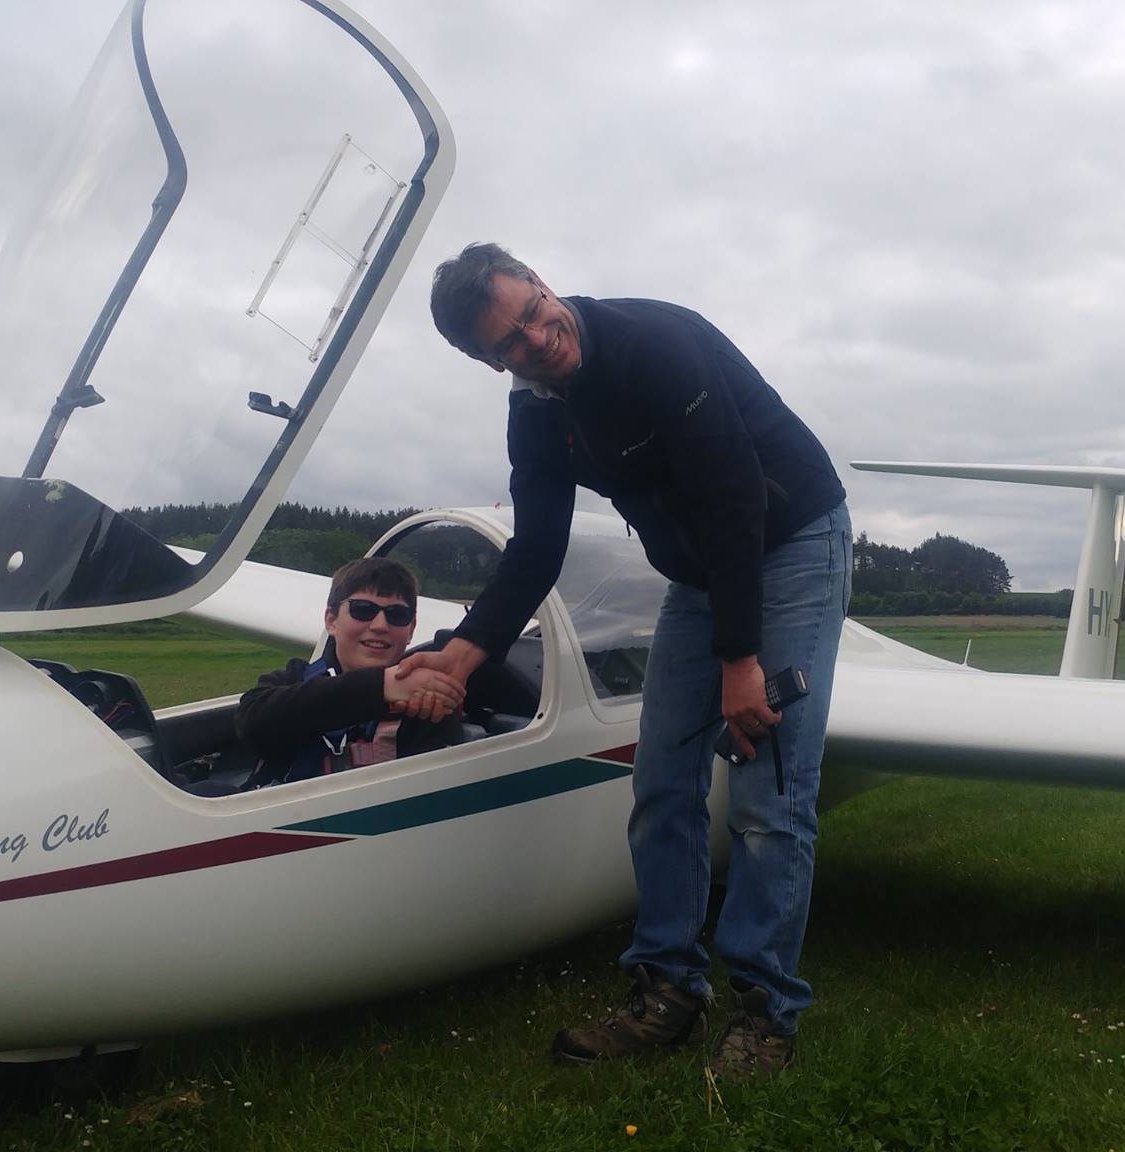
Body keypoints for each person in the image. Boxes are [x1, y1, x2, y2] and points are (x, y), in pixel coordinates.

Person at [404, 243, 852, 1081]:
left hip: (788, 538)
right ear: (486, 359)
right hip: (697, 566)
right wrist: (459, 659)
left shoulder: (652, 345)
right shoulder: (536, 409)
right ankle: (668, 992)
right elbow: (536, 548)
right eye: (510, 341)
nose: (538, 338)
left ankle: (768, 1013)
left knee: (767, 784)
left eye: (534, 310)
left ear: (539, 278)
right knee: (662, 780)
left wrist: (739, 661)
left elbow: (735, 498)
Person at [236, 557, 465, 785]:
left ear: (411, 629)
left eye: (397, 614)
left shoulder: (425, 702)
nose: (380, 626)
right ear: (331, 621)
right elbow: (251, 722)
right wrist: (383, 686)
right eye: (363, 610)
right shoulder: (292, 678)